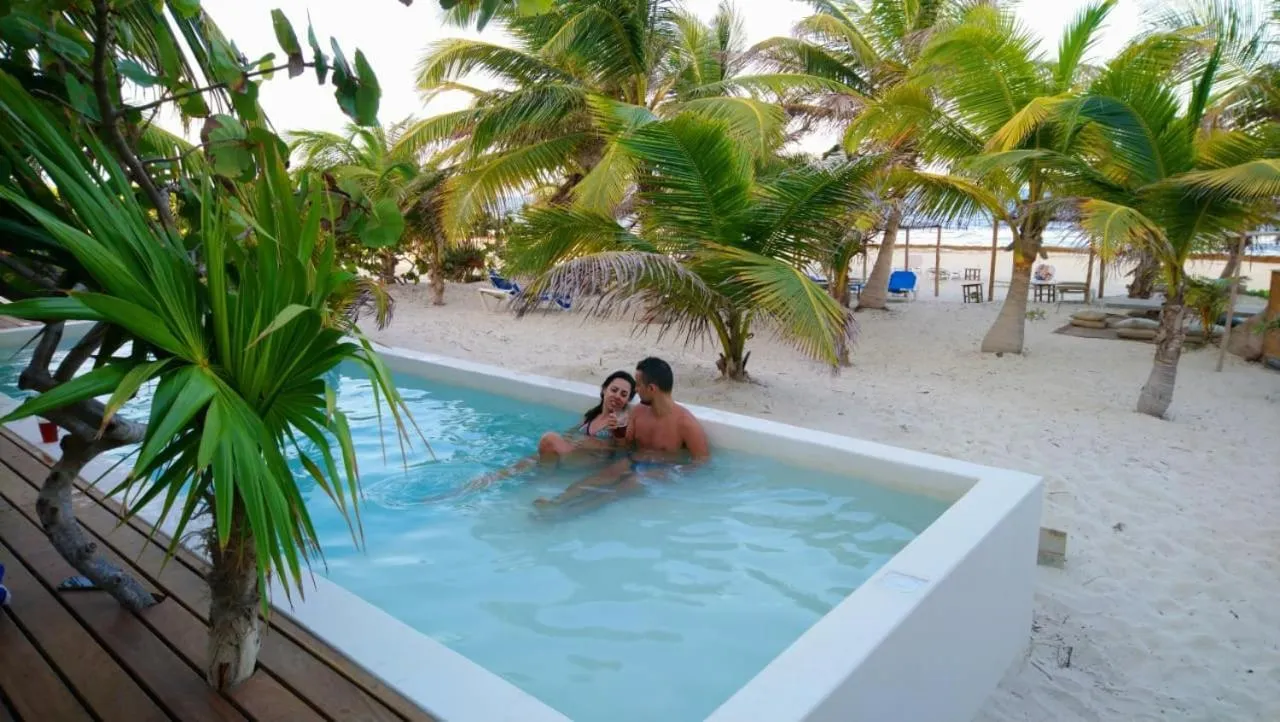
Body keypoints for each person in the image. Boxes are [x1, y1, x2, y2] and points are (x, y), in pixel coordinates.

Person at [534, 356, 709, 511]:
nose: (637, 390)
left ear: (652, 389)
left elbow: (701, 462)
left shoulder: (685, 423)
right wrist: (617, 433)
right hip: (634, 460)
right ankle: (556, 502)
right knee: (599, 478)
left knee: (622, 488)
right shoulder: (638, 413)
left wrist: (671, 473)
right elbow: (624, 447)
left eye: (639, 385)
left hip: (664, 469)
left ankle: (567, 513)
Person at [436, 371, 637, 498]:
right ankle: (480, 483)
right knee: (517, 466)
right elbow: (571, 434)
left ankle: (541, 479)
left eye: (623, 394)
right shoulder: (591, 416)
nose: (617, 396)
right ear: (603, 390)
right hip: (572, 454)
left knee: (549, 439)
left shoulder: (620, 421)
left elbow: (623, 450)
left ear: (628, 400)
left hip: (585, 462)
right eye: (614, 390)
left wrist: (615, 435)